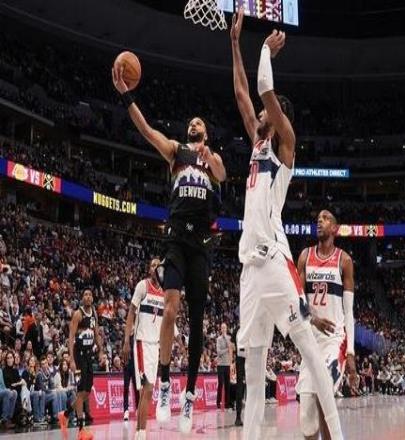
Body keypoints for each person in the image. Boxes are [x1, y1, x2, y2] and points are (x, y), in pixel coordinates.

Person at [231, 8, 343, 439]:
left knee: (308, 350)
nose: (257, 116)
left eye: (266, 114)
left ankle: (339, 434)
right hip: (249, 271)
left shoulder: (286, 148)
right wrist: (234, 45)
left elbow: (262, 89)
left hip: (275, 259)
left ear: (276, 119)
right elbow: (243, 92)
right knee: (253, 375)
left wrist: (263, 49)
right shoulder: (257, 146)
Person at [112, 49, 226, 435]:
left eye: (199, 122)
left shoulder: (211, 159)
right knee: (171, 308)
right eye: (191, 121)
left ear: (206, 133)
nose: (193, 123)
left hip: (202, 243)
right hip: (176, 237)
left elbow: (223, 175)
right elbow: (146, 130)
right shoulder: (176, 152)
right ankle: (163, 381)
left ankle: (189, 394)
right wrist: (126, 94)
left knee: (197, 321)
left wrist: (211, 157)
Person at [296, 210, 356, 440]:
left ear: (334, 228)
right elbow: (297, 300)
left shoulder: (344, 260)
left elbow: (348, 312)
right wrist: (313, 319)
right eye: (318, 219)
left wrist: (350, 353)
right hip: (310, 340)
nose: (319, 221)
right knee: (307, 419)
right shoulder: (305, 256)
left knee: (325, 395)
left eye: (326, 218)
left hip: (334, 340)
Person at [122, 258, 164, 440]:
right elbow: (131, 312)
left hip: (155, 346)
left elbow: (168, 321)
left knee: (147, 392)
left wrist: (178, 339)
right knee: (146, 389)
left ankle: (139, 433)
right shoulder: (142, 286)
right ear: (149, 269)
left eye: (158, 265)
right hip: (141, 342)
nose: (155, 268)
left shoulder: (164, 292)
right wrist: (126, 340)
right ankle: (142, 434)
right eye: (152, 265)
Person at [58, 288, 102, 440]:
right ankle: (81, 429)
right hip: (79, 355)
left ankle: (65, 414)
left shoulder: (94, 313)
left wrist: (101, 352)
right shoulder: (78, 314)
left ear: (93, 298)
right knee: (81, 391)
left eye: (90, 294)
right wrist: (71, 359)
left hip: (89, 355)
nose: (88, 296)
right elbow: (71, 337)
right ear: (82, 298)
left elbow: (97, 333)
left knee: (86, 392)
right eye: (85, 294)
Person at [22, 355, 46, 425]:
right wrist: (31, 376)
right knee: (36, 393)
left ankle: (42, 417)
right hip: (27, 393)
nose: (32, 362)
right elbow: (26, 386)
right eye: (31, 360)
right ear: (28, 362)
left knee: (43, 393)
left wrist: (40, 390)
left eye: (34, 361)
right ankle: (36, 418)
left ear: (35, 363)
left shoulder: (37, 373)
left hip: (35, 392)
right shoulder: (25, 372)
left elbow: (38, 386)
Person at [216, 323, 232, 410]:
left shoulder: (229, 338)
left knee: (227, 385)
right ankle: (218, 403)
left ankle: (227, 404)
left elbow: (231, 349)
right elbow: (219, 352)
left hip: (227, 364)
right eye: (222, 328)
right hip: (220, 364)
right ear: (220, 329)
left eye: (224, 328)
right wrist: (227, 349)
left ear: (226, 329)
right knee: (220, 384)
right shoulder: (218, 339)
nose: (223, 329)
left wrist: (228, 348)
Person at [0, 361, 17, 429]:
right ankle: (4, 419)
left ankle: (9, 418)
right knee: (7, 392)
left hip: (1, 390)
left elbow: (2, 384)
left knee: (14, 392)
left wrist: (8, 389)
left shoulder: (0, 370)